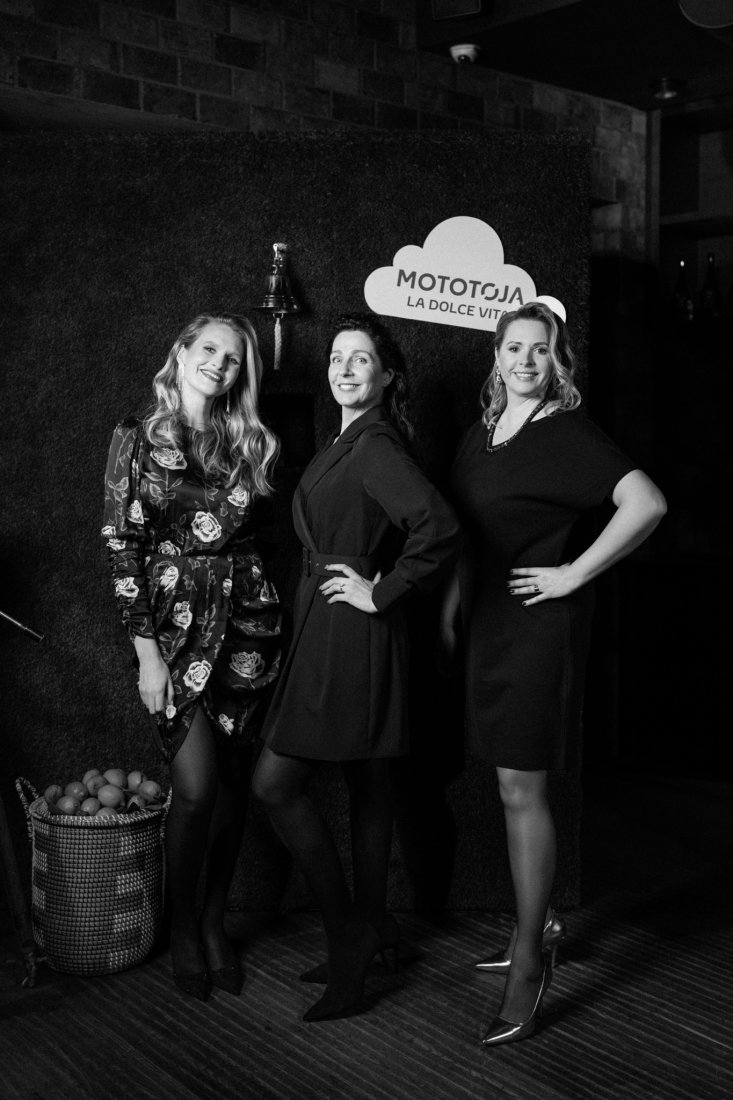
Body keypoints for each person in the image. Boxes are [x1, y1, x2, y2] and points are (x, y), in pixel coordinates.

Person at [443, 301, 666, 1047]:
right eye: (514, 347)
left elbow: (646, 502)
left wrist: (573, 573)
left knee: (521, 789)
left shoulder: (568, 432)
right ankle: (532, 927)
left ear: (556, 360)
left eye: (540, 350)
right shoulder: (482, 433)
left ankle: (531, 961)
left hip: (537, 631)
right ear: (497, 357)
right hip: (487, 627)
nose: (525, 360)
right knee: (505, 784)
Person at [252, 313, 461, 1022]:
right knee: (369, 783)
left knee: (275, 783)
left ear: (386, 374)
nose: (344, 369)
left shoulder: (374, 445)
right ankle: (373, 923)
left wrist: (384, 590)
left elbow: (438, 527)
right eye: (337, 357)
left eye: (361, 359)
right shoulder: (348, 440)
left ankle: (349, 935)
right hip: (330, 624)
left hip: (352, 629)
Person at [102, 313, 282, 1002]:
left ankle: (213, 923)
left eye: (233, 359)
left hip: (246, 629)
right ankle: (182, 926)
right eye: (209, 349)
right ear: (181, 353)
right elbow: (122, 549)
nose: (219, 364)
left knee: (231, 791)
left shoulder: (246, 441)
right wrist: (147, 657)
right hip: (174, 635)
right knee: (197, 788)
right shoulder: (135, 435)